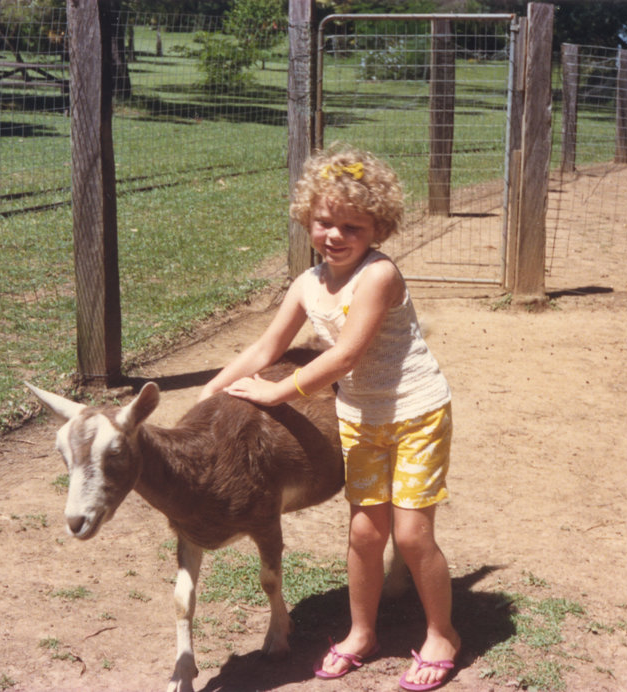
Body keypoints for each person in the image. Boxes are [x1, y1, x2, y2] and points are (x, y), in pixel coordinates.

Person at [199, 145, 460, 690]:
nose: (335, 236)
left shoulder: (378, 276)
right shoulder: (306, 284)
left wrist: (279, 395)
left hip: (415, 413)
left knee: (411, 535)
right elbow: (266, 347)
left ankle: (443, 634)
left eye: (352, 227)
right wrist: (213, 389)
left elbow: (344, 357)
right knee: (366, 533)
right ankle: (362, 632)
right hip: (361, 418)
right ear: (306, 219)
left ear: (378, 230)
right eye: (325, 222)